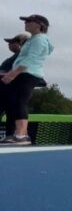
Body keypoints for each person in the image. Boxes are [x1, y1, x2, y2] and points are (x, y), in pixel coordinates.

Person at [0, 15, 54, 145]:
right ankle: (21, 134)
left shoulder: (39, 40)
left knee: (19, 102)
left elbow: (30, 59)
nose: (25, 23)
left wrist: (12, 74)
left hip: (27, 74)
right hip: (26, 73)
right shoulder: (35, 39)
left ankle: (20, 135)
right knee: (16, 102)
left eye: (29, 21)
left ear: (39, 24)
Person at [0, 33, 30, 137]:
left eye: (12, 42)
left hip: (11, 91)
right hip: (4, 90)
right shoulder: (15, 56)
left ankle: (11, 136)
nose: (9, 45)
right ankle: (10, 136)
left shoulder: (22, 56)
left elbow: (19, 71)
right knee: (11, 115)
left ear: (20, 43)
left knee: (12, 115)